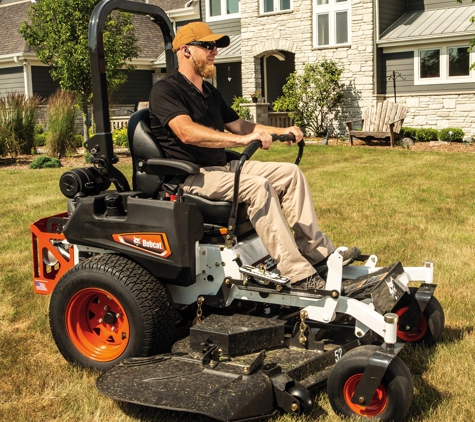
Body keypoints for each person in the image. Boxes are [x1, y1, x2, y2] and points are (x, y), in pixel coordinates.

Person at [149, 22, 359, 290]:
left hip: (222, 166)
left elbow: (243, 126)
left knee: (290, 174)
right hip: (191, 176)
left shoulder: (209, 92)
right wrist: (242, 140)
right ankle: (298, 275)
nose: (214, 51)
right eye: (208, 45)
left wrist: (281, 131)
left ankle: (317, 254)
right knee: (257, 187)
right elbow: (186, 132)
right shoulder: (165, 90)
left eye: (216, 46)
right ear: (185, 50)